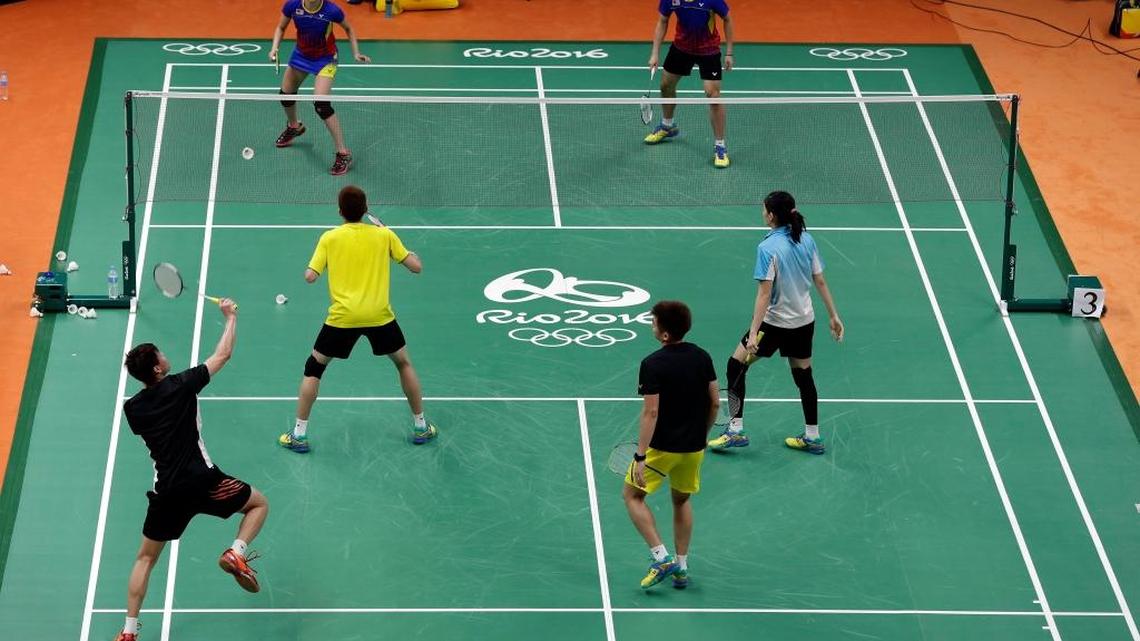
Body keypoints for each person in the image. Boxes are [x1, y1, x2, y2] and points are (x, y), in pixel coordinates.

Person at [115, 299, 268, 641]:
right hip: (205, 481)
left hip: (168, 493)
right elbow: (223, 355)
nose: (166, 356)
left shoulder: (132, 409)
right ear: (157, 368)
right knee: (259, 504)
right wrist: (230, 317)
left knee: (145, 559)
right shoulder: (182, 385)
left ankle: (128, 632)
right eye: (160, 355)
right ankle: (236, 552)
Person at [279, 185, 437, 453]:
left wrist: (318, 267)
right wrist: (397, 244)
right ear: (365, 210)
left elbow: (310, 276)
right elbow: (416, 267)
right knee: (403, 363)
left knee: (314, 368)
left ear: (340, 211)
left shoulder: (330, 238)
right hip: (380, 316)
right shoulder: (384, 235)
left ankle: (299, 435)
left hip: (343, 318)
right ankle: (421, 426)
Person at [709, 191, 844, 455]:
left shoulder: (767, 248)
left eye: (764, 210)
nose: (762, 213)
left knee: (735, 365)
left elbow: (764, 294)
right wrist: (834, 316)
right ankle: (812, 436)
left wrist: (753, 334)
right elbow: (821, 281)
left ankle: (735, 430)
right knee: (804, 376)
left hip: (774, 324)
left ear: (771, 216)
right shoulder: (807, 239)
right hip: (804, 321)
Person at [623, 301, 719, 590]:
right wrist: (702, 435)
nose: (652, 326)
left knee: (632, 496)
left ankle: (661, 557)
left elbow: (651, 412)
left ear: (664, 334)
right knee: (682, 500)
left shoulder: (652, 364)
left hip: (662, 448)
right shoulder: (702, 357)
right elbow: (715, 401)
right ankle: (682, 567)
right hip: (693, 448)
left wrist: (641, 455)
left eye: (653, 323)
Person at [269, 0, 371, 176]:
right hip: (301, 55)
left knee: (321, 105)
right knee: (285, 96)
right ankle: (294, 127)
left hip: (326, 59)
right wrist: (274, 49)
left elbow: (348, 28)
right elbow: (280, 27)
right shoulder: (293, 6)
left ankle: (343, 153)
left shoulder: (331, 10)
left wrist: (356, 52)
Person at [645, 0, 735, 168]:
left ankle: (720, 146)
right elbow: (662, 21)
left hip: (708, 50)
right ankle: (667, 126)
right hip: (681, 48)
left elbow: (728, 19)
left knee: (713, 95)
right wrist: (654, 53)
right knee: (666, 85)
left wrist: (729, 52)